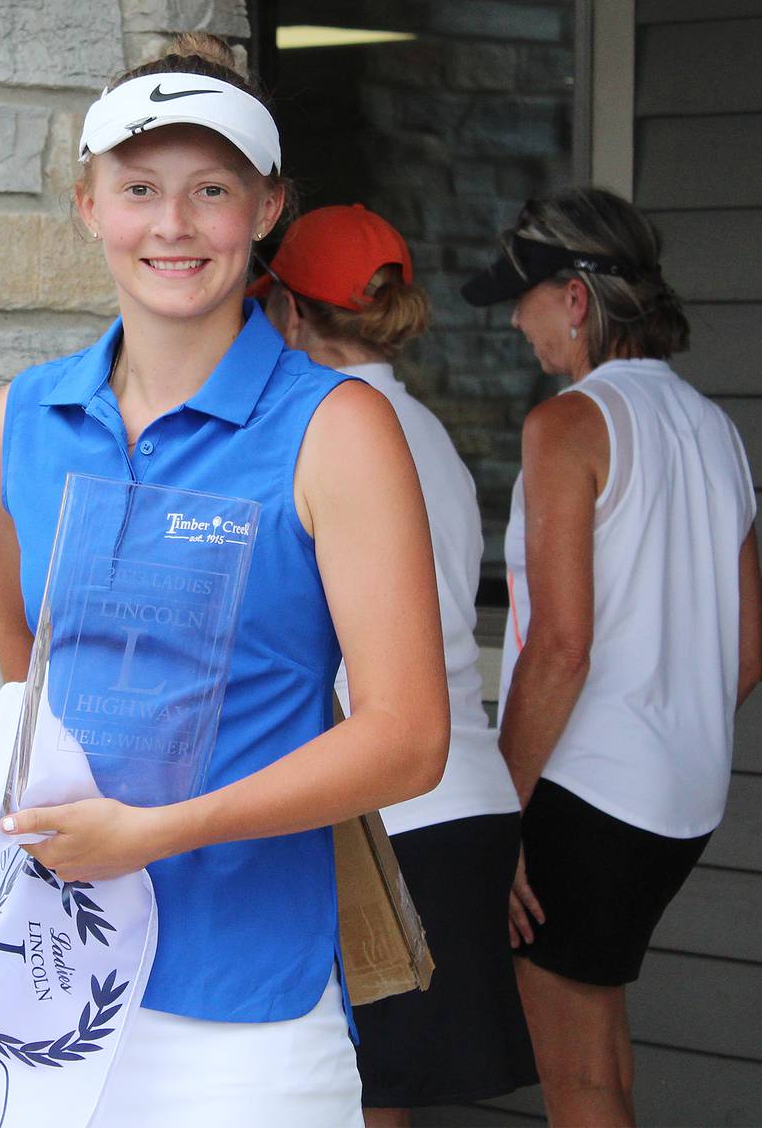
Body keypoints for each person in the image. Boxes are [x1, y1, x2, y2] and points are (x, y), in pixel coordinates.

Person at [0, 34, 451, 1127]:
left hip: (244, 1018)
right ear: (87, 202)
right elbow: (24, 669)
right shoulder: (19, 423)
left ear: (268, 207)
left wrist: (156, 829)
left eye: (212, 189)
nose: (174, 225)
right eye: (139, 188)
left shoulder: (338, 428)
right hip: (42, 986)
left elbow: (411, 736)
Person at [461, 188, 762, 1127]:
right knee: (604, 1055)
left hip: (582, 796)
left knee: (578, 1076)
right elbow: (745, 656)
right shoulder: (716, 429)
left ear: (578, 299)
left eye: (525, 296)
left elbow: (559, 643)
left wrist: (497, 818)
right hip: (680, 797)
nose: (516, 318)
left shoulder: (567, 425)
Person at [254, 204, 538, 1126]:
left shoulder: (338, 437)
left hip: (391, 813)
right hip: (464, 800)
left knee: (357, 1098)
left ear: (291, 315)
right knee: (383, 1099)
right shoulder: (431, 438)